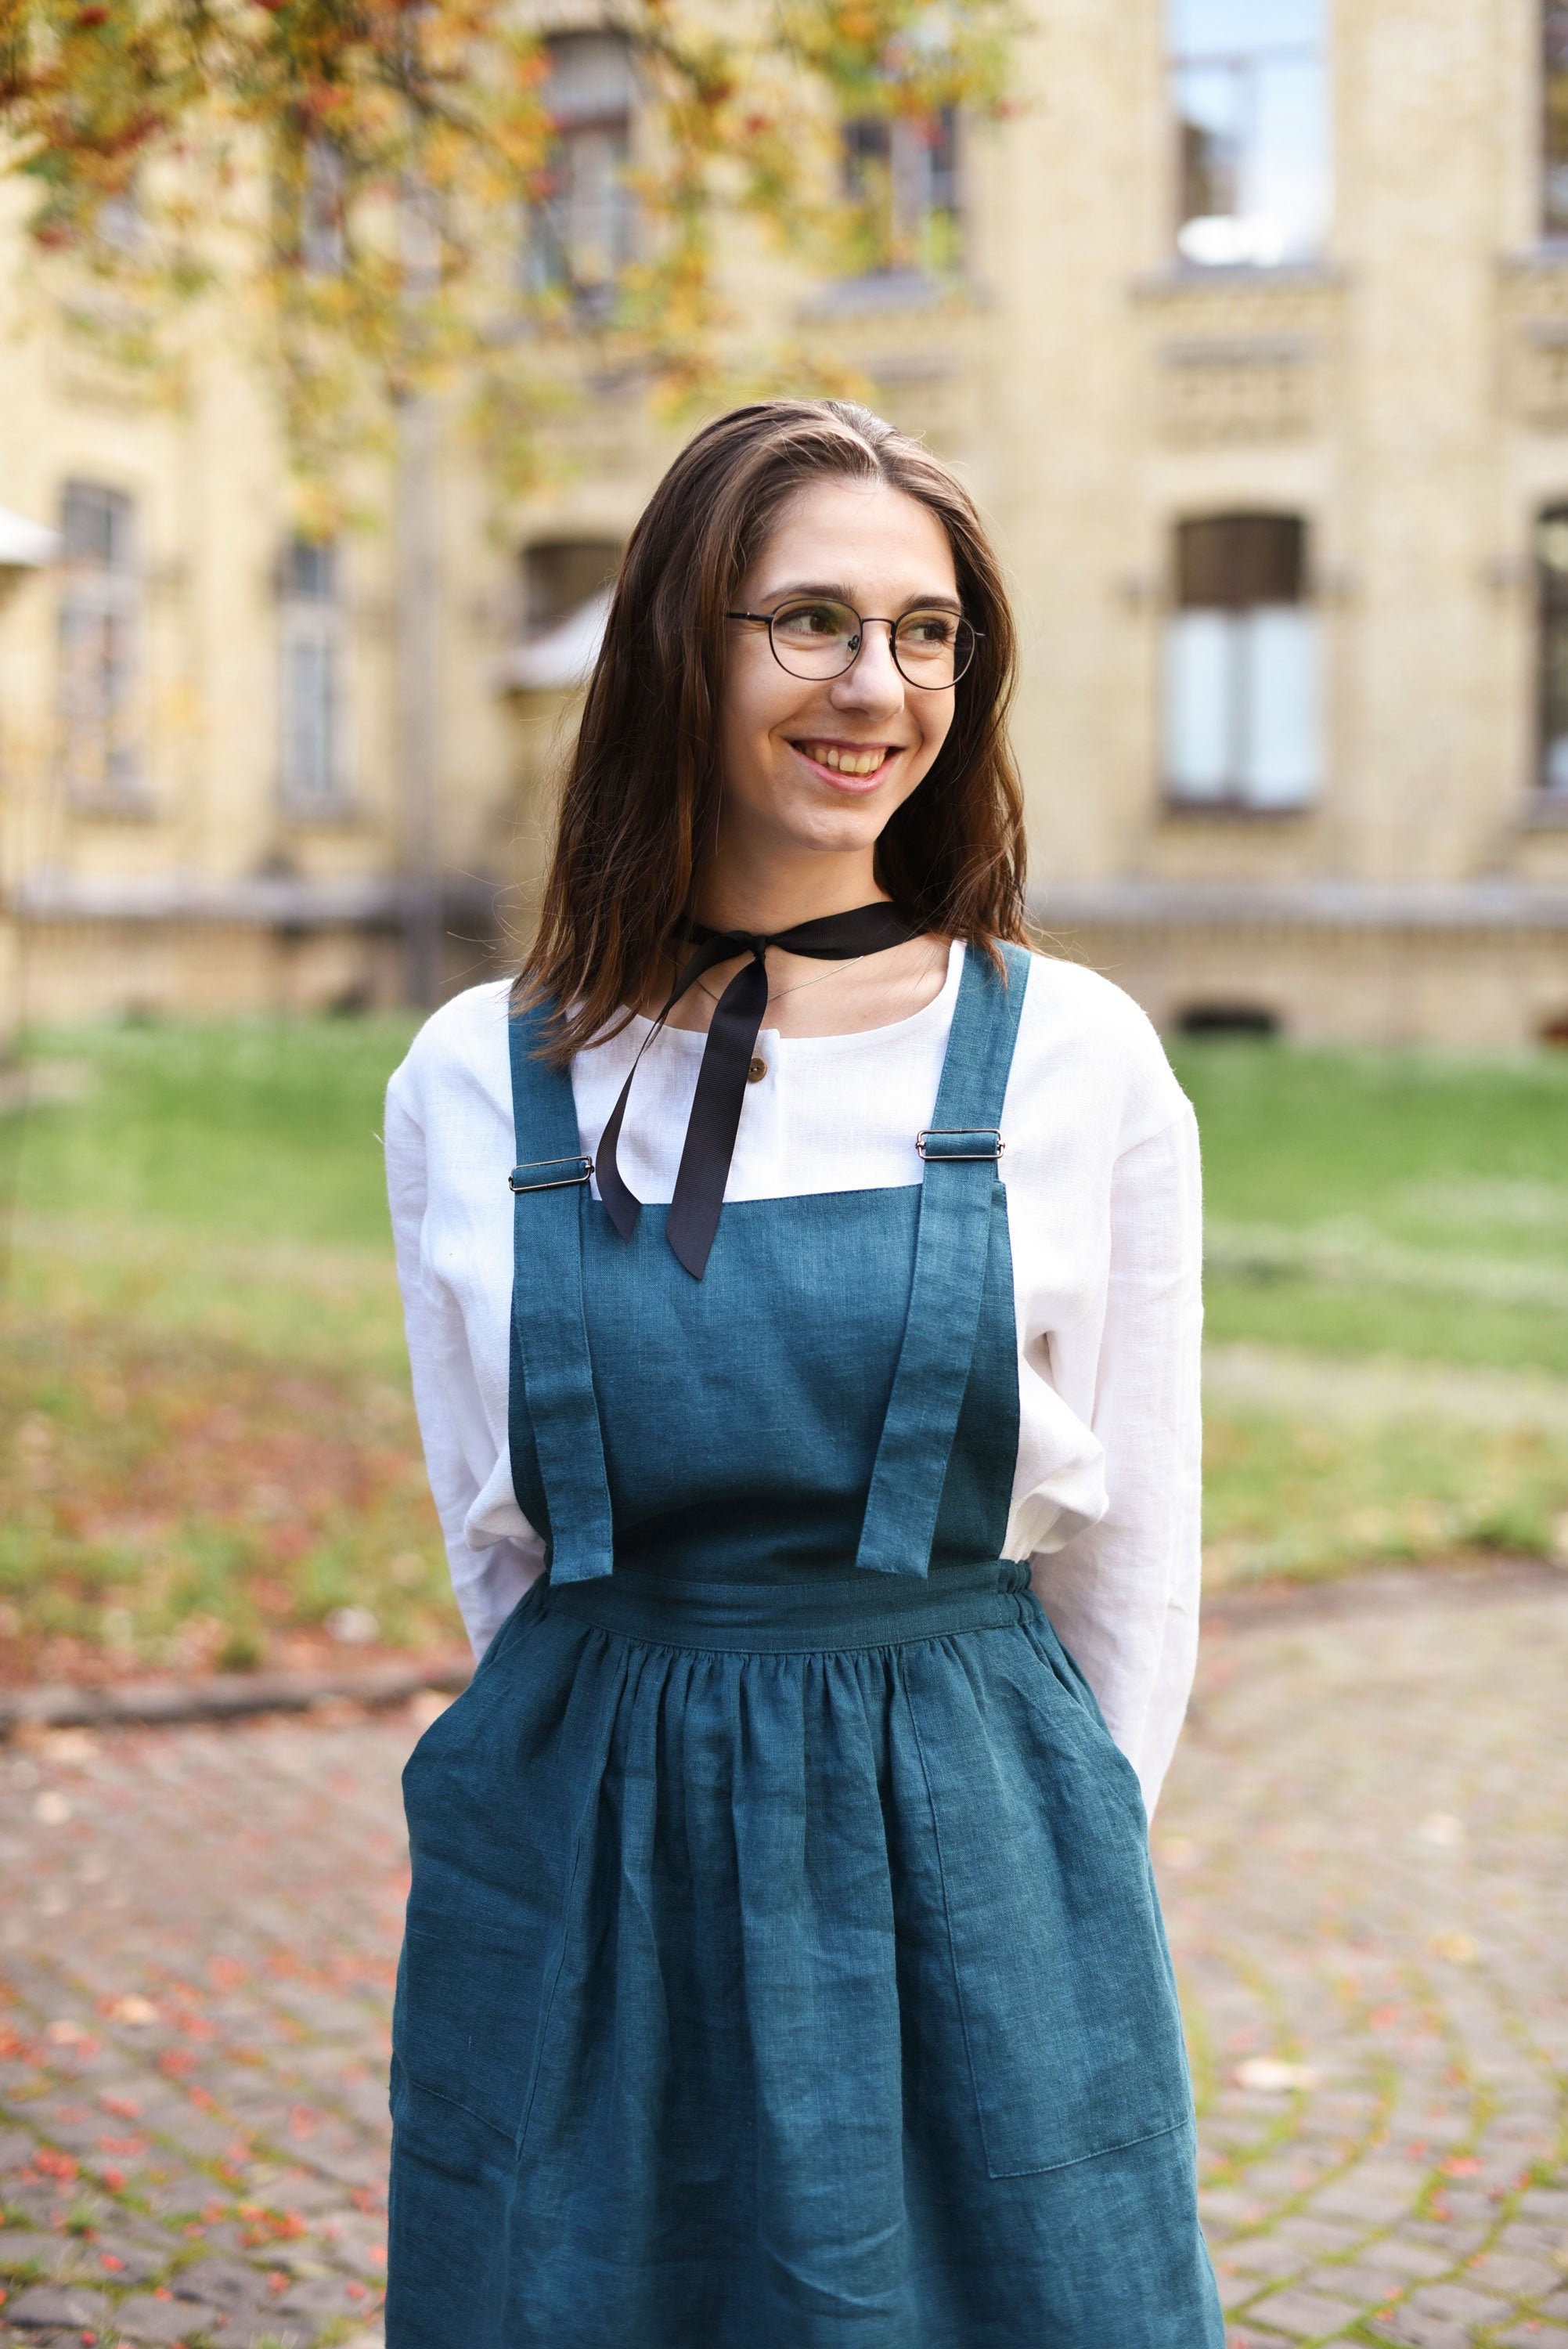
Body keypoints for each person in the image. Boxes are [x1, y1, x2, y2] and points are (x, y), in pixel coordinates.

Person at [382, 399, 1222, 2349]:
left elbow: (1136, 1565)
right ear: (682, 644)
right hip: (591, 1843)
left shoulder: (1076, 1058)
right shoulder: (474, 1075)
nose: (881, 686)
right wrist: (589, 1807)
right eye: (813, 622)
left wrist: (1040, 1876)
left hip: (972, 1838)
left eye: (927, 633)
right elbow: (494, 1541)